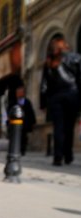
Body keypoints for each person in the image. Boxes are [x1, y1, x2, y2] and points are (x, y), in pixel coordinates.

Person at [40, 35, 81, 166]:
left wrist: (42, 103)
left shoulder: (49, 62)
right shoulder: (76, 58)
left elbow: (44, 84)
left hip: (55, 97)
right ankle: (68, 156)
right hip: (72, 95)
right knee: (69, 127)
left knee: (58, 127)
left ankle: (58, 157)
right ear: (66, 46)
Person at [15, 85, 36, 156]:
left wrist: (32, 122)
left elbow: (30, 112)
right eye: (17, 92)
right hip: (15, 123)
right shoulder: (14, 102)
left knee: (23, 137)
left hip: (24, 123)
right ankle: (16, 149)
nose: (18, 94)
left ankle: (22, 150)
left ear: (23, 93)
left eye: (20, 92)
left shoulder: (27, 102)